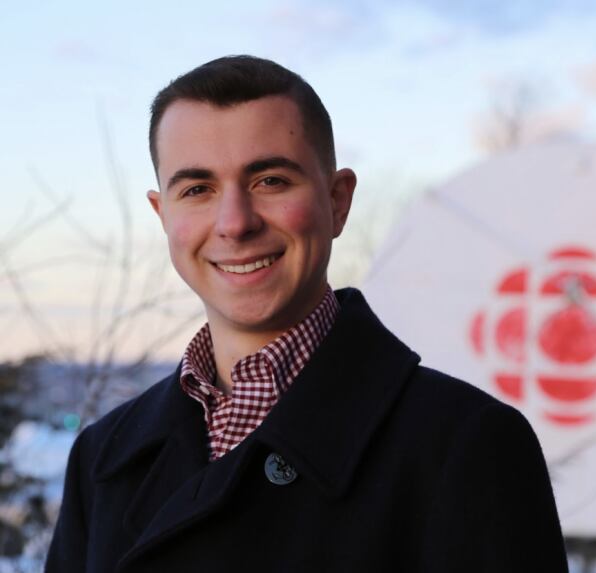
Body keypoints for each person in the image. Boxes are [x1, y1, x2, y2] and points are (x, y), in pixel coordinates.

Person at [45, 55, 568, 572]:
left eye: (269, 180)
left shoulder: (466, 446)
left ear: (338, 201)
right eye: (198, 189)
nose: (234, 223)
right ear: (164, 216)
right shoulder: (102, 458)